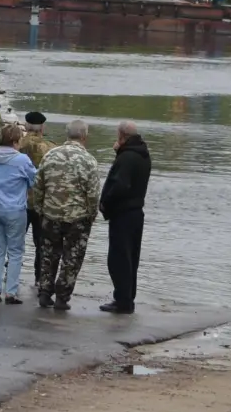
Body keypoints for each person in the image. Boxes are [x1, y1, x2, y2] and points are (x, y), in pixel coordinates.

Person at [32, 119, 100, 311]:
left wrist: (40, 208)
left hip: (50, 214)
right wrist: (92, 214)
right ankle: (62, 297)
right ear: (84, 136)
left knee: (48, 254)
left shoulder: (50, 155)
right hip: (77, 219)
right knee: (72, 258)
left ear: (66, 134)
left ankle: (45, 292)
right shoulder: (89, 160)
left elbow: (38, 185)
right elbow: (93, 193)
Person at [99, 121, 152, 314]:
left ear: (121, 135)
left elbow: (120, 185)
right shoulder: (142, 154)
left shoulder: (127, 157)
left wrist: (106, 203)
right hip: (136, 213)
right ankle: (128, 298)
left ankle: (122, 301)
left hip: (123, 214)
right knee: (131, 257)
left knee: (119, 259)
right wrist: (119, 153)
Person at [0, 123, 37, 304]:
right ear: (15, 140)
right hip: (14, 210)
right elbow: (33, 180)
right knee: (15, 252)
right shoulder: (21, 159)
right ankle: (11, 292)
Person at [18, 111, 55, 284]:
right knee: (41, 243)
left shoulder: (16, 144)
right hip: (41, 203)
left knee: (16, 241)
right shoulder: (50, 148)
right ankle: (39, 278)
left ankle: (12, 273)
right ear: (42, 128)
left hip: (19, 201)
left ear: (25, 126)